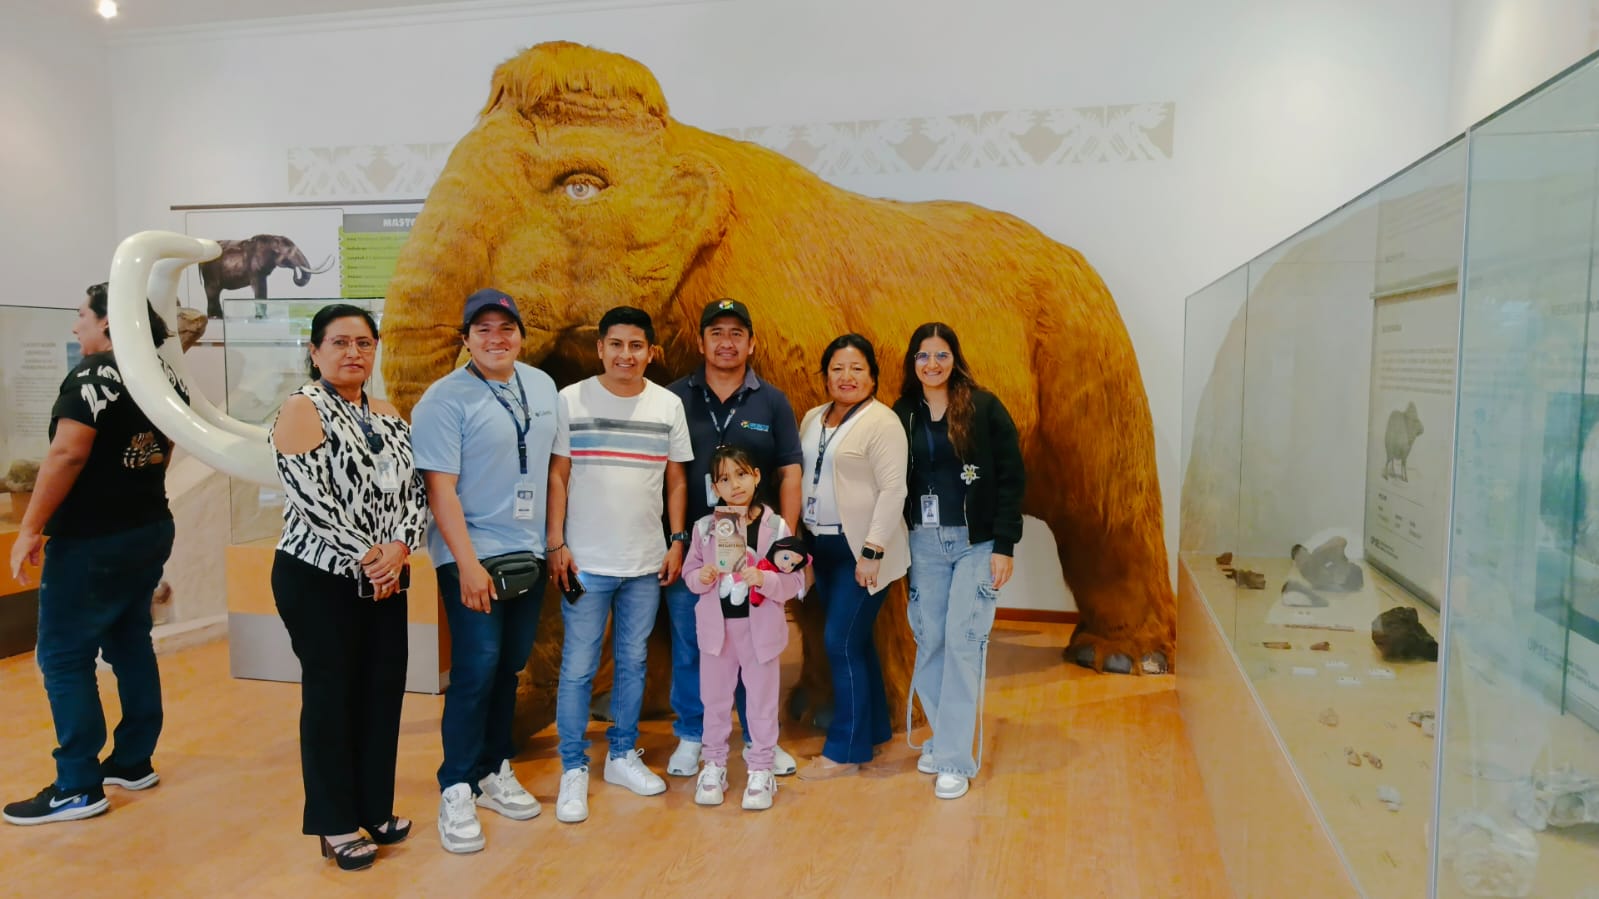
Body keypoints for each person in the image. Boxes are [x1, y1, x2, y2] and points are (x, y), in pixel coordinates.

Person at [4, 283, 189, 826]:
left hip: (92, 540)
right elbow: (165, 446)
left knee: (63, 655)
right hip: (148, 527)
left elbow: (66, 453)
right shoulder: (162, 374)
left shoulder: (91, 376)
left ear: (108, 322)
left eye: (81, 316)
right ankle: (133, 760)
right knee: (130, 641)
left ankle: (77, 785)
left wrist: (29, 528)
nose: (75, 326)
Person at [267, 304, 427, 870]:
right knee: (331, 697)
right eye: (339, 342)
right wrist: (370, 557)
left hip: (387, 575)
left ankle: (374, 808)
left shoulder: (385, 412)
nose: (353, 352)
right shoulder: (301, 408)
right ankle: (335, 822)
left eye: (363, 342)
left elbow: (415, 492)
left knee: (382, 692)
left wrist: (401, 546)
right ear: (315, 352)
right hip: (319, 578)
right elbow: (312, 502)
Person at [411, 289, 559, 853]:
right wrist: (467, 565)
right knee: (475, 668)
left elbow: (555, 467)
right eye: (484, 330)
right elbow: (440, 489)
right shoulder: (444, 399)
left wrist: (552, 541)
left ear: (521, 335)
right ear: (466, 339)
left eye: (506, 328)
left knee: (508, 668)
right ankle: (456, 785)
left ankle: (494, 768)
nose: (496, 339)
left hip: (528, 553)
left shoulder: (540, 386)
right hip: (470, 555)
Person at [546, 305, 692, 824]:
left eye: (636, 346)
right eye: (616, 344)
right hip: (586, 562)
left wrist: (677, 540)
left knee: (633, 662)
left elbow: (676, 479)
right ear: (600, 348)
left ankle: (622, 754)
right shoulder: (570, 399)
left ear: (651, 352)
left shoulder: (668, 404)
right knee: (579, 667)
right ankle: (573, 766)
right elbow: (558, 474)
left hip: (645, 562)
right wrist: (556, 542)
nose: (625, 355)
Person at [663, 298, 803, 779]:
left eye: (736, 333)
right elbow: (672, 473)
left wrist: (784, 546)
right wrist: (678, 539)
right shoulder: (675, 397)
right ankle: (693, 736)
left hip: (756, 552)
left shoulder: (772, 401)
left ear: (752, 343)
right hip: (699, 548)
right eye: (717, 333)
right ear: (701, 341)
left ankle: (760, 742)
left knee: (756, 650)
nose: (727, 342)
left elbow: (789, 472)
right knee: (696, 646)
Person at [893, 323, 1025, 800]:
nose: (932, 364)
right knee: (930, 641)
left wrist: (1005, 544)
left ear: (955, 359)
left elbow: (1011, 477)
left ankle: (953, 758)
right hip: (923, 543)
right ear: (912, 362)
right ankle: (943, 736)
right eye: (923, 356)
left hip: (976, 543)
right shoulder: (902, 413)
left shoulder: (984, 407)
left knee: (963, 642)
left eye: (941, 355)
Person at [795, 334, 909, 780]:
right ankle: (874, 729)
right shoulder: (813, 418)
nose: (846, 377)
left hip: (860, 552)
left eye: (857, 368)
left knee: (840, 643)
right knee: (855, 642)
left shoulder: (883, 422)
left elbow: (893, 490)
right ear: (825, 376)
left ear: (873, 377)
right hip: (819, 547)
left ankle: (846, 751)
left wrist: (872, 551)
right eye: (837, 369)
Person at [680, 446, 807, 810]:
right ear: (714, 487)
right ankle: (714, 765)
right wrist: (702, 577)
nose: (734, 485)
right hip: (717, 635)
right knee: (715, 702)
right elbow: (690, 574)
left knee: (762, 703)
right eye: (724, 479)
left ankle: (762, 768)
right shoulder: (705, 528)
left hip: (760, 634)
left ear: (756, 476)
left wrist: (765, 580)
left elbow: (795, 582)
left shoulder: (776, 527)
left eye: (740, 475)